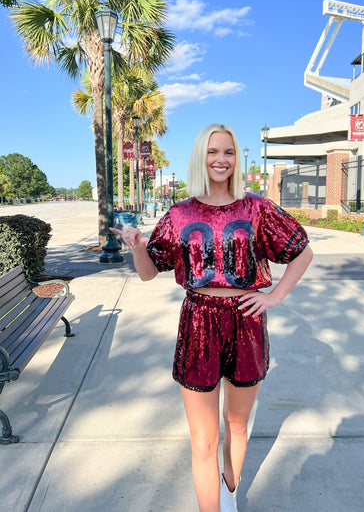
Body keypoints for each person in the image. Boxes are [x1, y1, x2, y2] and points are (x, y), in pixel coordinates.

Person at [111, 123, 313, 512]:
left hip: (246, 319)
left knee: (236, 425)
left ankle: (230, 496)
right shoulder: (179, 214)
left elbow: (301, 252)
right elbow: (150, 270)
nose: (221, 160)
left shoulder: (258, 208)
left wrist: (275, 296)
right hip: (199, 320)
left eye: (229, 152)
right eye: (213, 152)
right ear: (200, 157)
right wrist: (136, 247)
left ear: (237, 159)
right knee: (203, 439)